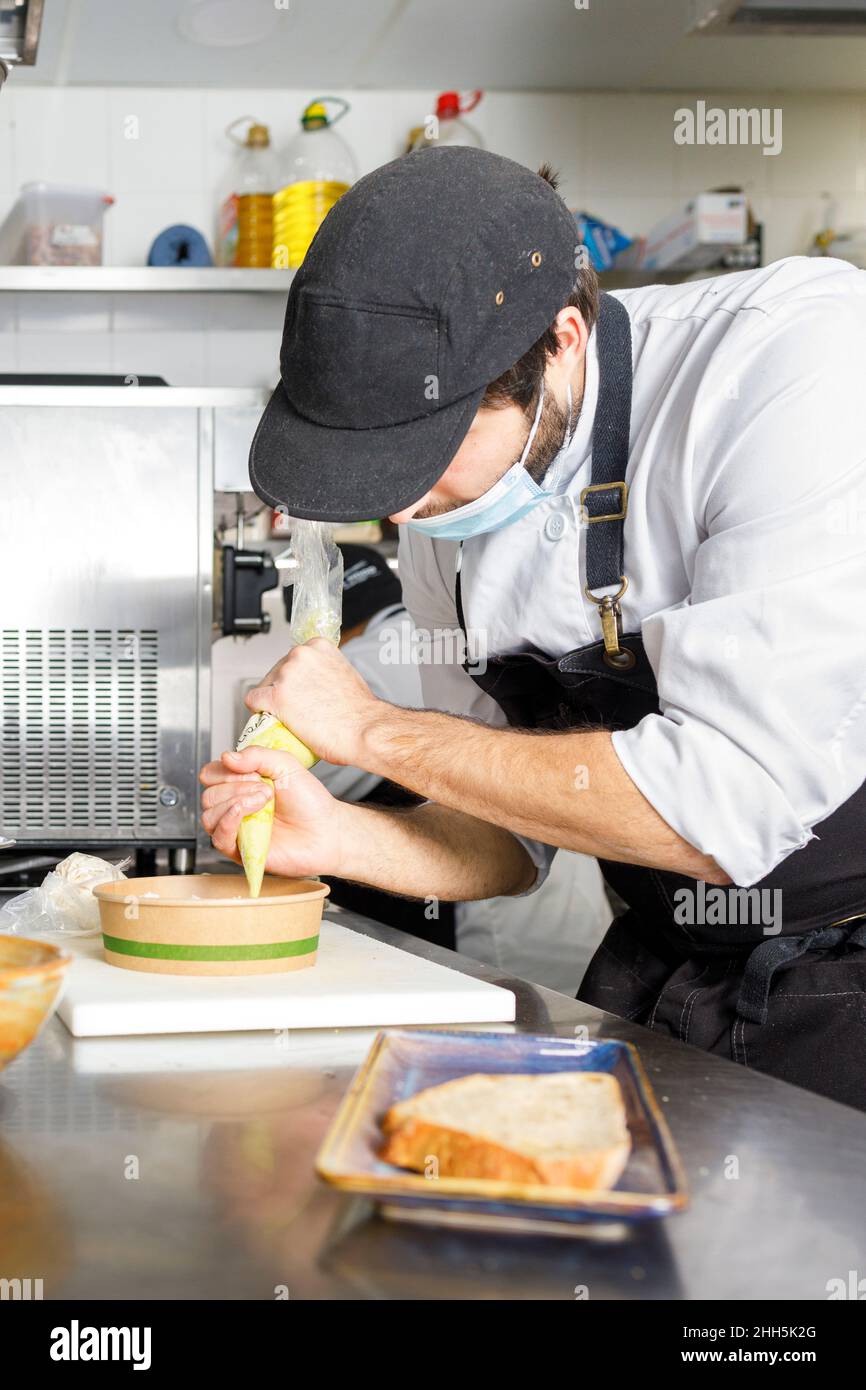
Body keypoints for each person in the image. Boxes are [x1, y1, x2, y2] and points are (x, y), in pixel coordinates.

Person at [201, 147, 866, 1109]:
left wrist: (377, 730)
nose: (404, 511)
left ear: (562, 339)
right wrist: (340, 837)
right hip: (658, 962)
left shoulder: (791, 365)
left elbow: (731, 811)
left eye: (427, 456)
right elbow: (503, 839)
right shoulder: (442, 510)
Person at [306, 544, 610, 990]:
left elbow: (293, 777)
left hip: (498, 930)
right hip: (579, 922)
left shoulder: (356, 667)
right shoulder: (445, 634)